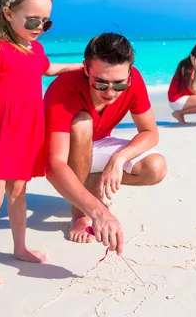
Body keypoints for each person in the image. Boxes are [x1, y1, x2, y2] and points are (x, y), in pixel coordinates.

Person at [0, 0, 82, 291]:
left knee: (19, 191)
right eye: (33, 19)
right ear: (8, 13)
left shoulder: (36, 49)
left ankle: (19, 247)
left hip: (28, 129)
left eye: (46, 21)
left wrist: (80, 67)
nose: (39, 26)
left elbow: (47, 69)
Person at [44, 32, 167, 251]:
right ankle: (79, 213)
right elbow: (54, 165)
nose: (110, 92)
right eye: (100, 84)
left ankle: (90, 186)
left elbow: (150, 132)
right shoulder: (64, 89)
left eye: (119, 85)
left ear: (129, 74)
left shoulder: (134, 80)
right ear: (86, 69)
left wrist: (119, 160)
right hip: (62, 148)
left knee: (155, 168)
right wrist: (99, 214)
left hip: (99, 143)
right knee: (82, 122)